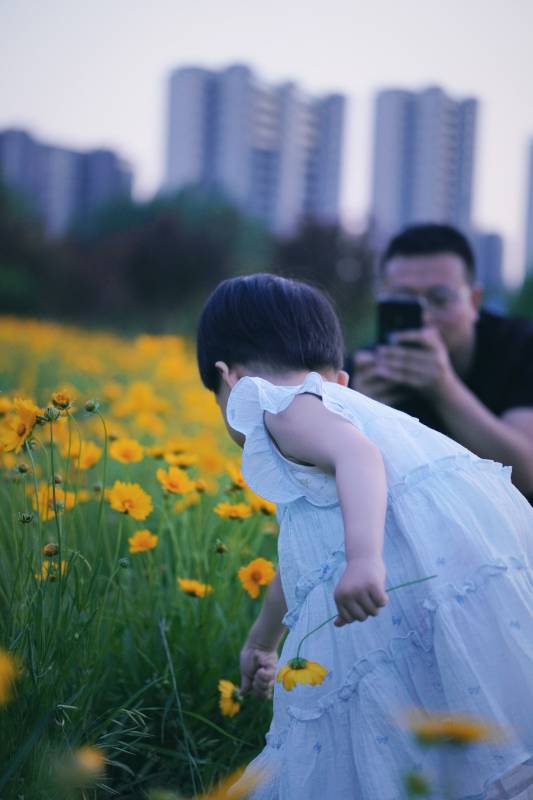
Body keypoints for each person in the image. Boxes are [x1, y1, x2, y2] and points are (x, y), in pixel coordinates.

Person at [197, 273, 533, 800]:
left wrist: (364, 559)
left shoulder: (274, 403)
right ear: (343, 378)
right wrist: (262, 641)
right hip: (434, 582)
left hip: (385, 577)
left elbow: (359, 457)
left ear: (228, 378)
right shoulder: (327, 411)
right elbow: (306, 564)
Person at [348, 224, 533, 501]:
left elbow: (524, 474)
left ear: (473, 301)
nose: (424, 316)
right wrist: (357, 413)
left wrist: (444, 388)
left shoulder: (520, 346)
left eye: (439, 299)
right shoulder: (368, 368)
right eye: (404, 300)